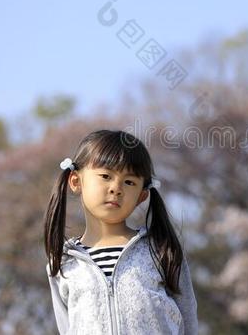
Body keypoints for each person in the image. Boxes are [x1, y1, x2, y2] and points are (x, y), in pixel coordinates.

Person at [43, 129, 198, 334]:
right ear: (75, 181)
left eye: (129, 182)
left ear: (142, 195)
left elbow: (188, 322)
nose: (116, 188)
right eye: (106, 176)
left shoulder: (161, 251)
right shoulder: (62, 263)